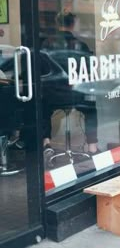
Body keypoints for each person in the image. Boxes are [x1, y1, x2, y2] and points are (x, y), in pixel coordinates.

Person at [41, 11, 99, 157]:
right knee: (91, 109)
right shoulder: (80, 45)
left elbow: (42, 72)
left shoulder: (47, 44)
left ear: (57, 23)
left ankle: (46, 143)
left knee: (42, 108)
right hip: (75, 95)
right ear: (73, 24)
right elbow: (89, 72)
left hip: (53, 95)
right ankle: (92, 148)